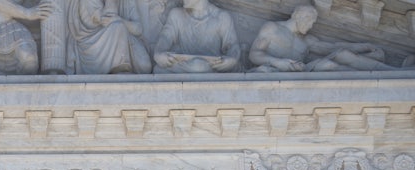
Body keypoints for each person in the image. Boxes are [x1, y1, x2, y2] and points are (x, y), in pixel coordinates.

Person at [249, 5, 396, 72]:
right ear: (298, 16)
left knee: (342, 54)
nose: (311, 25)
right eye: (309, 20)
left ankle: (389, 71)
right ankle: (366, 82)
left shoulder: (306, 41)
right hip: (275, 69)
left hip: (303, 70)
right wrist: (278, 62)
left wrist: (365, 45)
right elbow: (254, 54)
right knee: (328, 66)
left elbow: (333, 47)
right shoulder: (272, 28)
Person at [153, 0, 240, 73]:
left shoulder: (222, 17)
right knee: (158, 69)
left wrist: (232, 60)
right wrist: (158, 54)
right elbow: (165, 38)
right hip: (183, 65)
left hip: (213, 66)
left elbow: (232, 45)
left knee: (199, 66)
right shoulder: (176, 14)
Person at [66, 0, 152, 74]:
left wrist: (119, 19)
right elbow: (99, 20)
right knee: (118, 27)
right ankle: (121, 67)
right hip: (92, 41)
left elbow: (138, 29)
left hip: (120, 36)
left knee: (145, 66)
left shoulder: (127, 2)